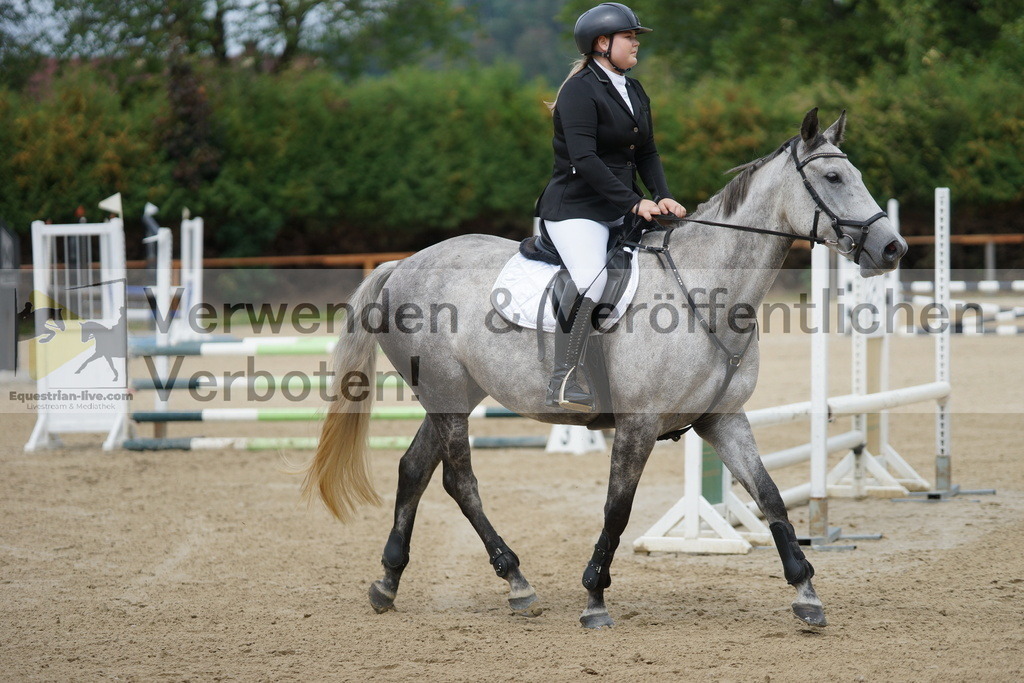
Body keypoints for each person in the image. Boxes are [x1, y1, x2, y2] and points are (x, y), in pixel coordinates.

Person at [537, 2, 686, 412]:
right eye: (629, 36)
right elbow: (584, 160)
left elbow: (647, 152)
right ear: (602, 43)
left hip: (623, 204)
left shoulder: (633, 89)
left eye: (636, 36)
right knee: (590, 279)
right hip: (576, 208)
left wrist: (660, 195)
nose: (636, 43)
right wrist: (634, 202)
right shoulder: (579, 90)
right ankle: (563, 378)